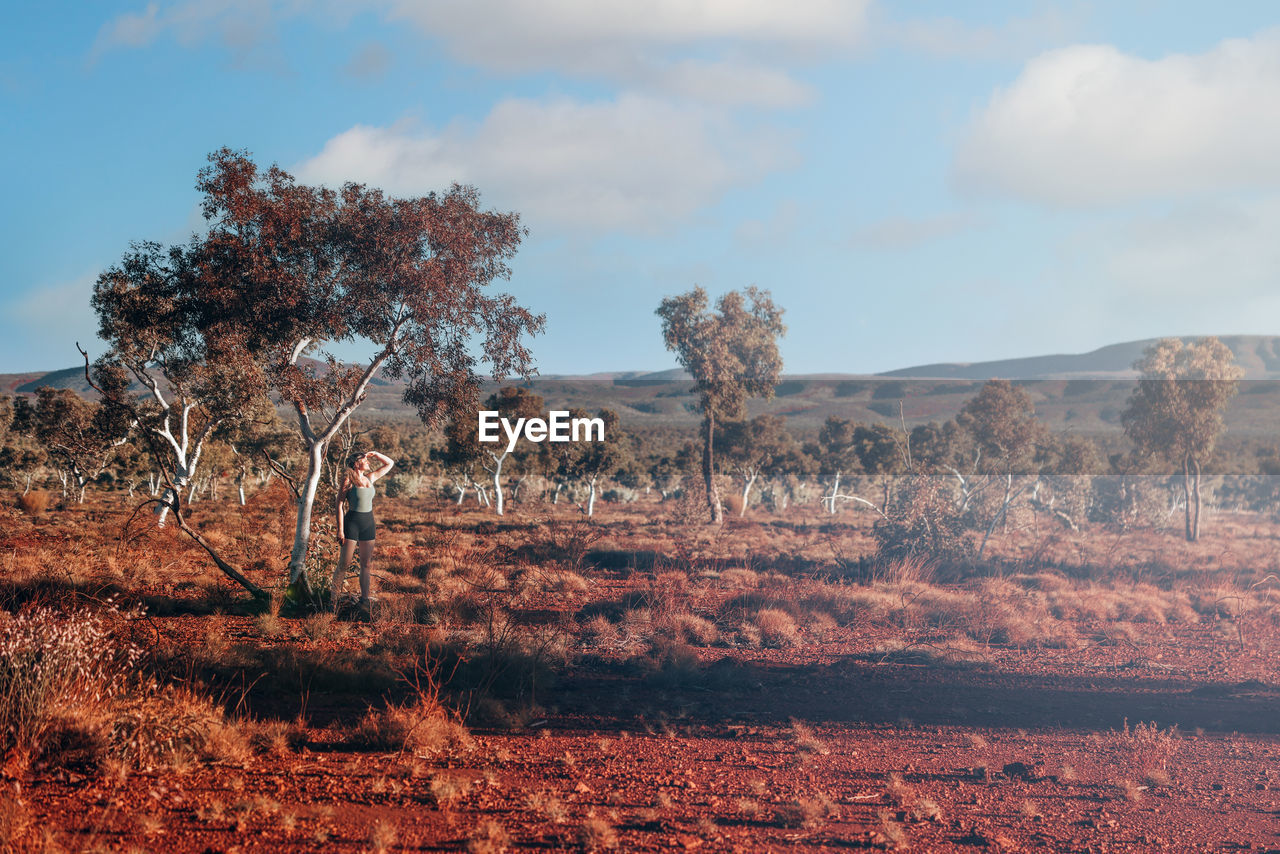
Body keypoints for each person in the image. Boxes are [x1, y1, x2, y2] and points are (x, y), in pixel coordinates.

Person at [332, 449, 395, 613]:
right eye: (365, 460)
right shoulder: (348, 480)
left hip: (368, 523)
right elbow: (339, 504)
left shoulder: (370, 478)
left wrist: (375, 453)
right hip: (352, 523)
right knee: (344, 564)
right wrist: (340, 530)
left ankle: (365, 599)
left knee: (366, 564)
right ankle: (333, 600)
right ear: (356, 464)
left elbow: (390, 463)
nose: (368, 462)